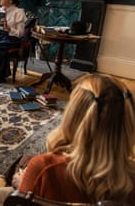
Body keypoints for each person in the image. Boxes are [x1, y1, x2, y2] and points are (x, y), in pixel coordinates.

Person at [18, 74, 135, 204]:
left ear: (71, 117)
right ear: (128, 123)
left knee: (21, 162)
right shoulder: (131, 181)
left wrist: (23, 183)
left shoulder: (43, 168)